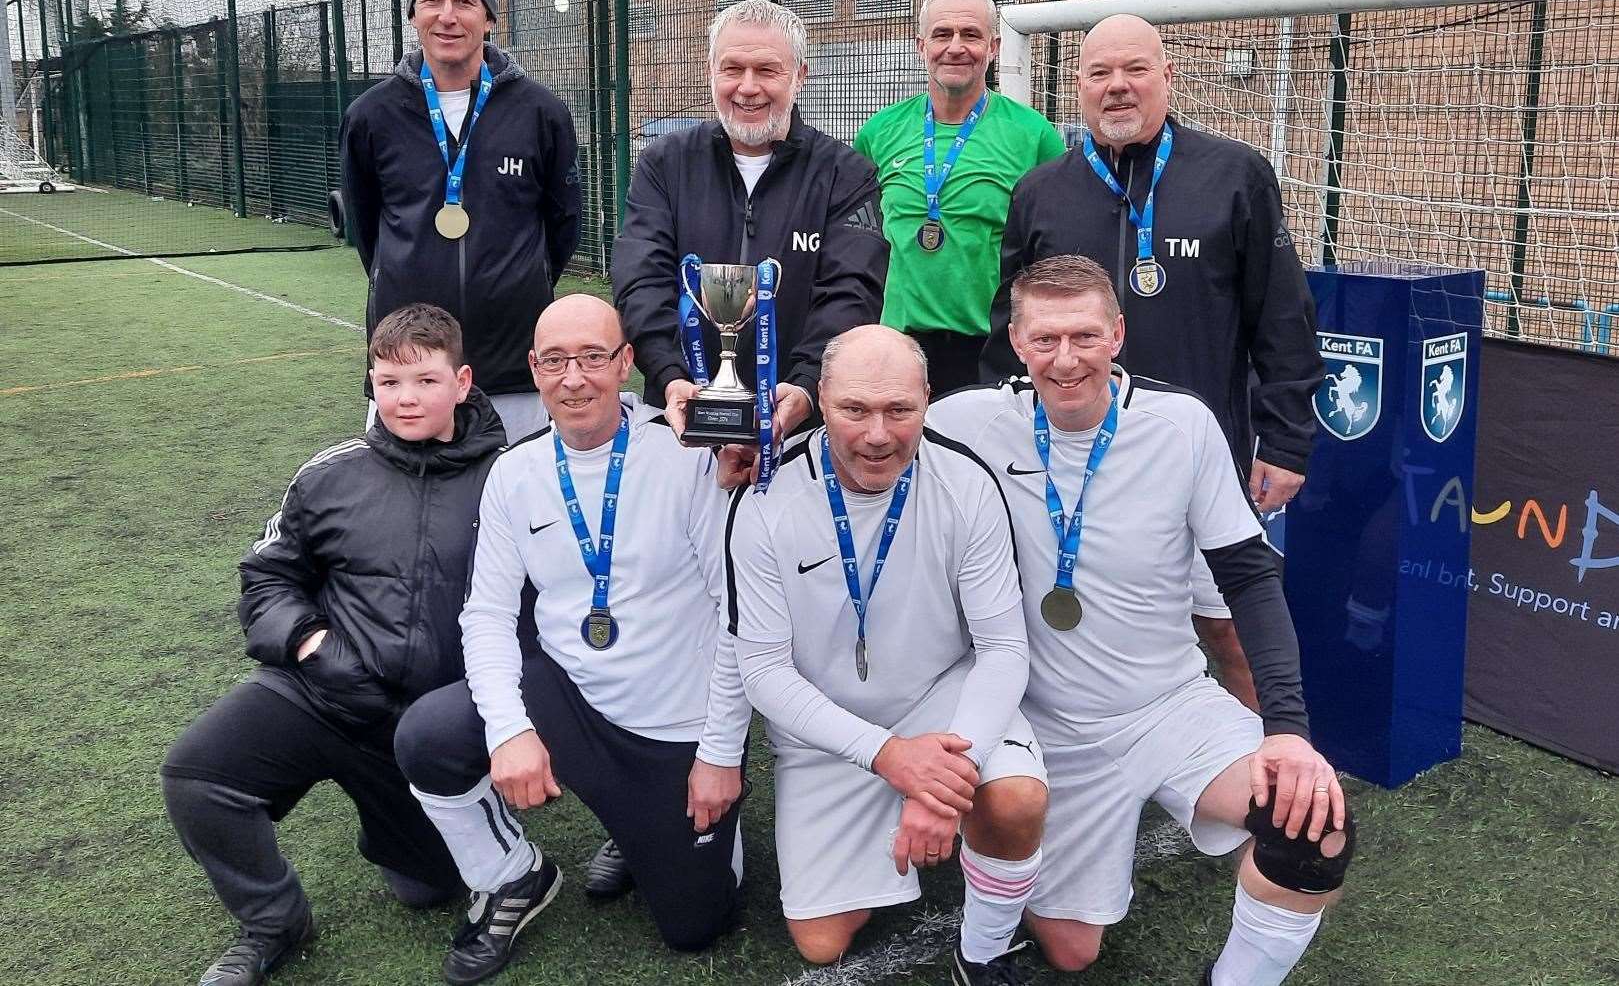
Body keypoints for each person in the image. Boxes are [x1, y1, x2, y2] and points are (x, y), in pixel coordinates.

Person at [932, 257, 1353, 984]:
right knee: (1071, 952)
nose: (1065, 360)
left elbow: (1249, 577)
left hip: (1166, 705)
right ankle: (992, 911)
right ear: (1016, 339)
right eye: (1044, 339)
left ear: (1118, 333)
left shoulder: (1181, 424)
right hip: (1040, 723)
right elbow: (862, 437)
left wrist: (1285, 729)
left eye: (1085, 336)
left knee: (1311, 830)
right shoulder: (962, 423)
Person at [393, 294, 753, 985]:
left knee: (694, 925)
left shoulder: (688, 459)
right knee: (427, 736)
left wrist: (719, 753)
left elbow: (737, 615)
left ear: (625, 364)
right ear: (534, 370)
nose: (574, 378)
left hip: (671, 728)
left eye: (593, 357)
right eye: (555, 360)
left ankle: (663, 833)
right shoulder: (515, 472)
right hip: (563, 696)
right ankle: (509, 877)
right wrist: (507, 730)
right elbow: (488, 615)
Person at [980, 14, 1324, 710]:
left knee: (1231, 633)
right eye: (1099, 72)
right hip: (1066, 466)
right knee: (1063, 634)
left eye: (1134, 69)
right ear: (1076, 86)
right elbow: (1006, 332)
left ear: (1167, 77)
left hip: (1193, 462)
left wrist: (1285, 439)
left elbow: (1282, 320)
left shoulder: (1234, 175)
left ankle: (1272, 783)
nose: (1116, 87)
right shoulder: (1039, 192)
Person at [161, 304, 508, 986]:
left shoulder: (509, 478)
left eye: (425, 381)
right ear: (371, 385)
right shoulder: (328, 474)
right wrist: (312, 645)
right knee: (197, 776)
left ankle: (396, 824)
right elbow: (265, 577)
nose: (406, 399)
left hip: (420, 731)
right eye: (388, 382)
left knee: (424, 889)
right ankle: (273, 923)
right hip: (320, 691)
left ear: (462, 382)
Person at [729, 324, 1049, 985]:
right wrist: (889, 757)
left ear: (927, 400)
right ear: (821, 398)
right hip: (831, 731)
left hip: (941, 701)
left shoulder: (965, 481)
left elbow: (1001, 648)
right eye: (854, 410)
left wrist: (941, 786)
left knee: (1015, 802)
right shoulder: (764, 497)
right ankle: (915, 829)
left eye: (899, 410)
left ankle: (983, 952)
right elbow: (761, 670)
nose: (877, 434)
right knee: (820, 941)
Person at [611, 0, 887, 484]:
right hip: (680, 421)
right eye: (732, 69)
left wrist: (802, 391)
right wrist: (673, 377)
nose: (748, 87)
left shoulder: (846, 174)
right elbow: (640, 279)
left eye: (767, 69)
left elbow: (852, 293)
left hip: (799, 429)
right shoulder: (665, 164)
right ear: (710, 72)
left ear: (800, 75)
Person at [341, 0, 582, 443]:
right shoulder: (371, 116)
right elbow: (368, 234)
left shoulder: (541, 113)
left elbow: (563, 228)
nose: (447, 16)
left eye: (464, 1)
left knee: (519, 509)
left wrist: (519, 282)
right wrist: (407, 274)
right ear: (412, 13)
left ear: (489, 17)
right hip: (411, 366)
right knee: (410, 514)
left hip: (515, 367)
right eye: (432, 0)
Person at [853, 0, 1064, 395]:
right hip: (897, 345)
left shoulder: (1033, 134)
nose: (955, 47)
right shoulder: (879, 132)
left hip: (989, 348)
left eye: (970, 35)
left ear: (995, 46)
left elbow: (1055, 245)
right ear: (920, 45)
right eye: (942, 34)